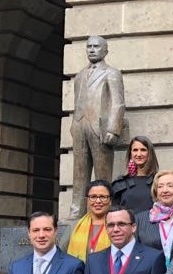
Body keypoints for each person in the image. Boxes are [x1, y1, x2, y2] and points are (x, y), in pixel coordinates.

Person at [69, 36, 125, 220]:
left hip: (99, 128)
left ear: (105, 51)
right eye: (89, 47)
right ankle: (76, 211)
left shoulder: (112, 73)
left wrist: (113, 129)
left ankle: (105, 212)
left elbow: (118, 103)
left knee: (102, 173)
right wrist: (74, 125)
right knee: (79, 171)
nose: (92, 50)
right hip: (80, 125)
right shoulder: (79, 75)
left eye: (96, 47)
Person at [113, 135, 160, 215]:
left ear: (150, 153)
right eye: (135, 150)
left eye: (143, 150)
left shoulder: (159, 182)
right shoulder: (120, 183)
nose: (139, 154)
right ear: (130, 154)